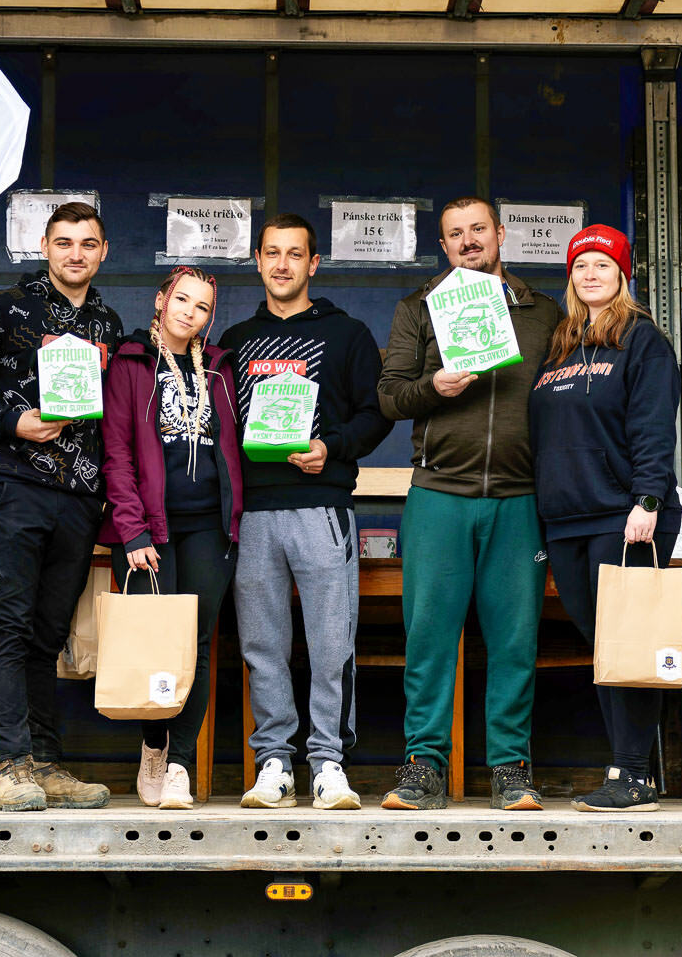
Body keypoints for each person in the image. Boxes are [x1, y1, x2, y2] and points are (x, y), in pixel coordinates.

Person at [0, 201, 121, 812]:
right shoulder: (5, 307)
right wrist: (13, 421)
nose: (75, 254)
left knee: (48, 635)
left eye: (87, 243)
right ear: (44, 247)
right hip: (13, 483)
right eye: (64, 242)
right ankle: (11, 767)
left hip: (80, 495)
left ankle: (45, 765)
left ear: (103, 252)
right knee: (10, 626)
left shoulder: (109, 324)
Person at [376, 196, 563, 811]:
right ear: (444, 245)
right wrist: (435, 386)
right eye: (455, 234)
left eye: (477, 229)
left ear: (501, 233)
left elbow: (568, 399)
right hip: (439, 493)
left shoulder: (543, 312)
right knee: (429, 637)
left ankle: (511, 768)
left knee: (515, 640)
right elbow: (390, 397)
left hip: (519, 496)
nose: (468, 241)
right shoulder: (418, 307)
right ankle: (424, 765)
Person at [219, 214, 392, 811]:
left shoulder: (347, 334)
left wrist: (331, 447)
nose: (283, 264)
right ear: (258, 261)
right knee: (261, 644)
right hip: (254, 512)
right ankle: (274, 762)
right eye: (272, 253)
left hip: (322, 506)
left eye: (295, 254)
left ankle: (327, 764)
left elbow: (376, 415)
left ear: (314, 263)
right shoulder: (235, 340)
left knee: (330, 642)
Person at [527, 223, 682, 812]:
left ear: (623, 275)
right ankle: (624, 769)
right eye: (581, 265)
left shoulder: (642, 341)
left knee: (629, 648)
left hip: (623, 516)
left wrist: (648, 501)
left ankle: (634, 775)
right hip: (566, 519)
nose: (590, 274)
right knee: (604, 651)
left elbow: (652, 428)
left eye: (603, 265)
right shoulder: (561, 346)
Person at [100, 265, 243, 810]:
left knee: (195, 644)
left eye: (201, 306)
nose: (189, 312)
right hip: (148, 531)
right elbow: (116, 452)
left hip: (209, 526)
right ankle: (155, 747)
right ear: (161, 300)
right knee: (155, 644)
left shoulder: (220, 370)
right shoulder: (131, 362)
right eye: (182, 299)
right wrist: (132, 531)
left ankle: (180, 765)